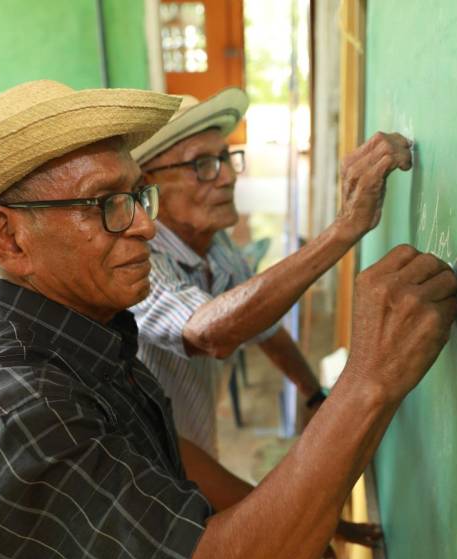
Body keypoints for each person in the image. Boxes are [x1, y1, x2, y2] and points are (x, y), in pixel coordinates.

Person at [0, 80, 457, 559]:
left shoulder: (84, 334)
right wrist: (367, 382)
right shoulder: (21, 416)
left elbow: (159, 452)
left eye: (137, 196)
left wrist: (290, 511)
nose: (143, 223)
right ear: (8, 236)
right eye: (105, 204)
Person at [131, 88, 378, 456]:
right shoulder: (136, 258)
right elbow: (208, 331)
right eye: (201, 164)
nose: (228, 176)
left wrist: (313, 394)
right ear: (147, 185)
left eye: (226, 158)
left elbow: (263, 324)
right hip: (148, 467)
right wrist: (342, 231)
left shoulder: (216, 245)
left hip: (194, 445)